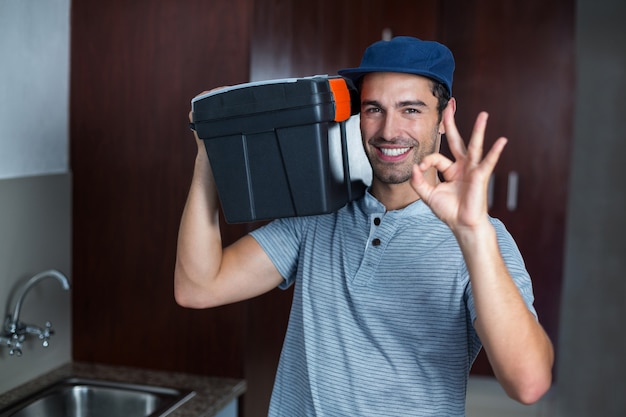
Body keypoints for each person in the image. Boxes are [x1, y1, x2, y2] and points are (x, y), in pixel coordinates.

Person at [175, 36, 554, 416]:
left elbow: (529, 383)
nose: (389, 130)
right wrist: (211, 149)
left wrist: (472, 234)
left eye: (411, 109)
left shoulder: (483, 240)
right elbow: (198, 287)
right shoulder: (319, 213)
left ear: (445, 115)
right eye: (375, 108)